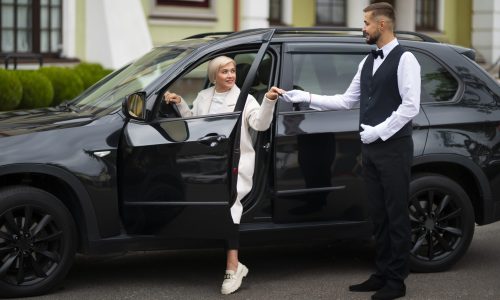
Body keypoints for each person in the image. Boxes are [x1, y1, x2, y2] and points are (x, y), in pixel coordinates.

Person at [281, 3, 420, 300]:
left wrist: (378, 131)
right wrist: (304, 96)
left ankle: (397, 281)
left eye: (366, 23)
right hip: (369, 151)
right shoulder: (366, 62)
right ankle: (382, 272)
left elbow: (410, 106)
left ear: (382, 25)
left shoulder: (406, 59)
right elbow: (345, 101)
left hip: (393, 149)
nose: (363, 28)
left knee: (397, 215)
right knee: (378, 215)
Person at [163, 55, 285, 295]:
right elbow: (193, 124)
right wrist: (179, 103)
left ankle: (233, 266)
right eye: (224, 72)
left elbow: (260, 124)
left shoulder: (245, 98)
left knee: (230, 205)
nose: (230, 75)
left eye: (232, 71)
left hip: (237, 163)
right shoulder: (203, 97)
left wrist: (268, 101)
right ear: (214, 76)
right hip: (212, 163)